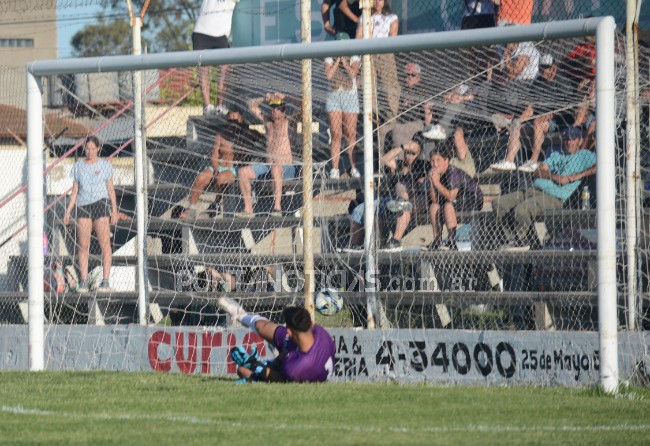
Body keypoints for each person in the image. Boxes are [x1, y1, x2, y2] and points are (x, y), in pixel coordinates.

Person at [493, 125, 596, 251]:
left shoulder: (585, 155)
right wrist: (556, 177)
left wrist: (575, 176)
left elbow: (600, 165)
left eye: (573, 139)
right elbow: (537, 172)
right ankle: (511, 239)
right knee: (498, 203)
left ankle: (522, 241)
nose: (569, 142)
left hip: (554, 197)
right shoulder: (557, 154)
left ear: (579, 141)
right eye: (567, 139)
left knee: (521, 210)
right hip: (534, 189)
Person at [218, 298, 336, 383]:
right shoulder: (320, 333)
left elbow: (279, 379)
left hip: (296, 369)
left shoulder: (295, 368)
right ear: (311, 324)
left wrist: (255, 365)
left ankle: (254, 380)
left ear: (289, 331)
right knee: (262, 327)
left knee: (243, 370)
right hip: (299, 353)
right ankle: (240, 315)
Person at [179, 107, 260, 219]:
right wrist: (216, 169)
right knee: (202, 177)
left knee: (221, 178)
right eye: (230, 121)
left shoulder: (246, 135)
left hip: (234, 168)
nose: (232, 124)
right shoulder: (221, 136)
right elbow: (214, 156)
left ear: (241, 120)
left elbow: (261, 137)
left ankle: (215, 205)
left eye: (235, 121)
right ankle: (192, 208)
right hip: (219, 166)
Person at [64, 136, 118, 292]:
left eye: (93, 148)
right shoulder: (78, 167)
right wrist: (68, 211)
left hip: (100, 205)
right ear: (84, 149)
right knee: (83, 246)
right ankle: (84, 282)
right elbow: (74, 191)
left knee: (105, 244)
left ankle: (105, 282)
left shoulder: (105, 166)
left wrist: (114, 210)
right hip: (83, 207)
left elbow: (110, 189)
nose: (90, 151)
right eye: (87, 148)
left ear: (98, 149)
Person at [237, 92, 297, 217]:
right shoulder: (267, 122)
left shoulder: (289, 122)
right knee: (242, 172)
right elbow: (250, 105)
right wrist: (265, 98)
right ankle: (248, 209)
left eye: (277, 108)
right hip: (268, 167)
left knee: (276, 168)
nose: (274, 110)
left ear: (283, 110)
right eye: (272, 108)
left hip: (286, 168)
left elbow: (304, 104)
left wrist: (285, 97)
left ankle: (277, 209)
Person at [426, 142, 484, 251]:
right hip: (455, 200)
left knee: (448, 205)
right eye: (432, 161)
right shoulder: (436, 175)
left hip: (472, 197)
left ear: (446, 160)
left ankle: (452, 242)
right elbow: (434, 200)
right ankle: (437, 240)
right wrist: (432, 182)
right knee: (433, 207)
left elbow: (451, 197)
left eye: (438, 160)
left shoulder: (452, 173)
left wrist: (437, 183)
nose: (435, 164)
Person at [380, 136, 429, 251]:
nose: (409, 156)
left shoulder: (424, 165)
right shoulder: (401, 165)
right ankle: (389, 241)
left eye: (413, 153)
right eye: (407, 152)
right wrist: (403, 146)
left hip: (419, 199)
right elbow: (385, 159)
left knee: (403, 191)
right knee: (399, 204)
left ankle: (395, 240)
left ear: (419, 154)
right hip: (403, 202)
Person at [192, 0, 239, 117]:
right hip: (202, 31)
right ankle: (207, 106)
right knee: (204, 71)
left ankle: (220, 105)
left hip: (221, 35)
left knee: (225, 70)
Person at [357, 0, 400, 122]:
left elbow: (393, 36)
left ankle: (391, 117)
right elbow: (359, 36)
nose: (377, 2)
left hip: (384, 53)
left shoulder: (391, 17)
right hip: (368, 54)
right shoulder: (365, 18)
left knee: (389, 85)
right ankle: (372, 119)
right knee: (368, 87)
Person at [379, 62, 434, 149]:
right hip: (401, 122)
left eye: (413, 75)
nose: (409, 77)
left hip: (415, 122)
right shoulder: (404, 89)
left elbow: (428, 110)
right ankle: (381, 160)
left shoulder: (422, 91)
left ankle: (399, 160)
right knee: (382, 130)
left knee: (398, 131)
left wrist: (427, 126)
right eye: (407, 75)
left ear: (419, 77)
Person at [324, 52, 361, 179]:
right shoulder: (330, 57)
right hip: (334, 97)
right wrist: (337, 62)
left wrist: (345, 63)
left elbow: (352, 73)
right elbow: (328, 75)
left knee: (350, 134)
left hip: (349, 96)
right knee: (336, 134)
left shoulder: (354, 57)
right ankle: (335, 169)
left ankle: (353, 167)